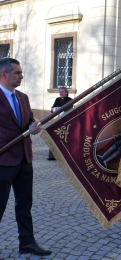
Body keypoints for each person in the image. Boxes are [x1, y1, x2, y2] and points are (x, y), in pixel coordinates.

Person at [0, 58, 52, 255]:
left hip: (24, 159)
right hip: (3, 161)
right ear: (3, 74)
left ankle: (27, 242)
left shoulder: (22, 97)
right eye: (17, 73)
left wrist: (33, 126)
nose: (21, 76)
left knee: (24, 205)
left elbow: (29, 120)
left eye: (21, 73)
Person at [47, 87, 72, 160]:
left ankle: (65, 156)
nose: (60, 93)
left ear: (66, 92)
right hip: (56, 121)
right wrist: (54, 109)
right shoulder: (57, 99)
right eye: (60, 92)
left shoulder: (70, 100)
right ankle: (52, 156)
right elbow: (52, 109)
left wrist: (58, 109)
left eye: (62, 92)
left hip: (65, 123)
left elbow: (68, 110)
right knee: (54, 138)